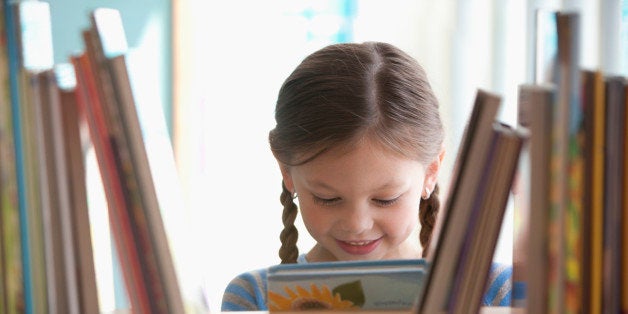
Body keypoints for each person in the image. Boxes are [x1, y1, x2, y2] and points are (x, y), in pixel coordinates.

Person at [221, 41, 512, 311]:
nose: (357, 225)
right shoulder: (254, 298)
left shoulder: (497, 293)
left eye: (386, 199)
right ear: (287, 171)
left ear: (431, 171)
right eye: (328, 198)